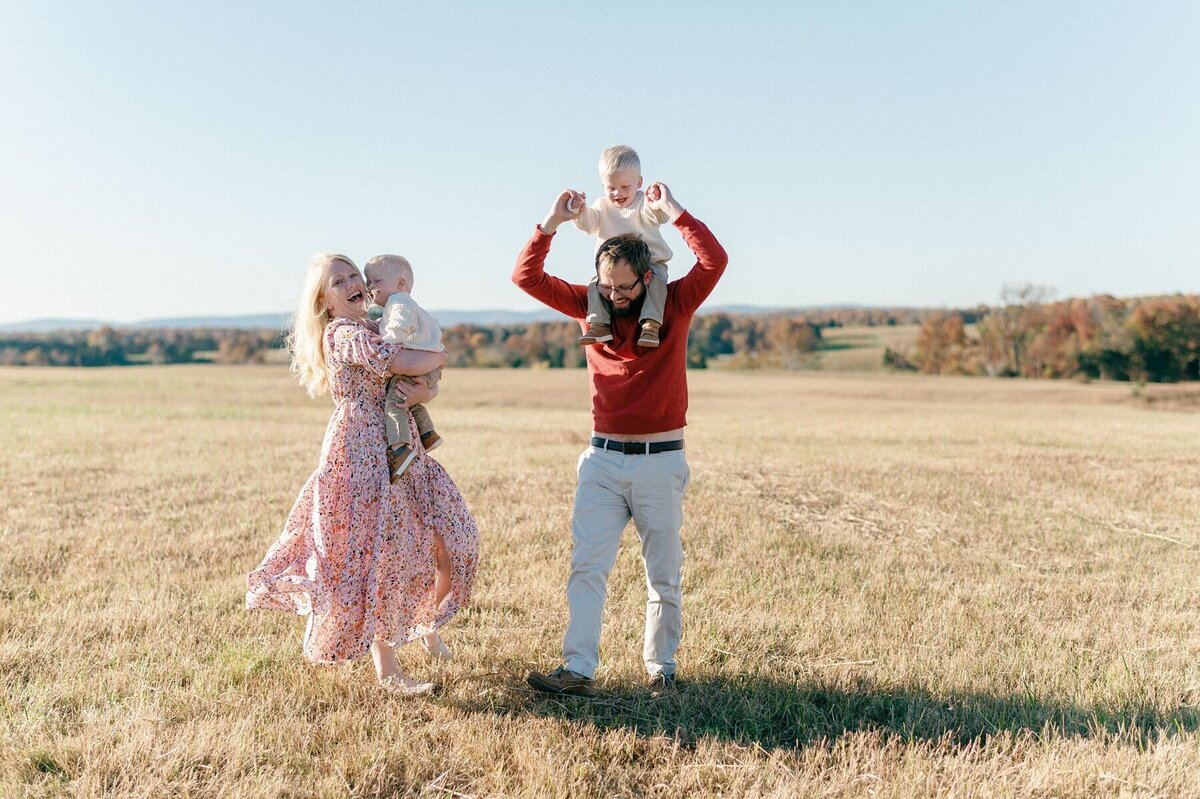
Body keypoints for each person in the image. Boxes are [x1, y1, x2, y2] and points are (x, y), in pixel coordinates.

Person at [513, 183, 728, 697]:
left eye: (625, 288)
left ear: (647, 277)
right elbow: (526, 277)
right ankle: (579, 669)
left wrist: (674, 212)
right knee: (587, 567)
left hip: (660, 459)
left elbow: (714, 260)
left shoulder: (674, 305)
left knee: (664, 575)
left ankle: (662, 670)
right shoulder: (593, 308)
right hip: (603, 460)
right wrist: (551, 223)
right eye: (607, 287)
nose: (615, 296)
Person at [246, 253, 478, 697]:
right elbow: (395, 361)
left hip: (400, 445)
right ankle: (388, 671)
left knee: (443, 537)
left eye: (356, 274)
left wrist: (428, 379)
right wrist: (438, 355)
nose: (355, 282)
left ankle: (424, 621)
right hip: (361, 453)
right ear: (325, 301)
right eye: (341, 280)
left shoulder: (375, 322)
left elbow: (425, 380)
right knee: (376, 558)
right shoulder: (342, 334)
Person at [566, 145, 672, 349]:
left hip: (651, 264)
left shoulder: (642, 203)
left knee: (657, 285)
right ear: (603, 186)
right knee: (595, 285)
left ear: (639, 183)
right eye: (611, 188)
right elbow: (589, 224)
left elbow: (657, 216)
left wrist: (655, 202)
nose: (618, 193)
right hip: (612, 271)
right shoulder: (602, 206)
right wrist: (579, 210)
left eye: (625, 187)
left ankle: (650, 325)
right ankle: (599, 324)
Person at [363, 254, 445, 481]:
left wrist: (386, 344)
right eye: (368, 281)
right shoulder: (398, 303)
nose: (370, 287)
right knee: (408, 399)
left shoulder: (399, 302)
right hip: (426, 365)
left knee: (396, 402)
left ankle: (400, 449)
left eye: (376, 281)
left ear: (400, 283)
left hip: (417, 364)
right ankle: (427, 434)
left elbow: (400, 325)